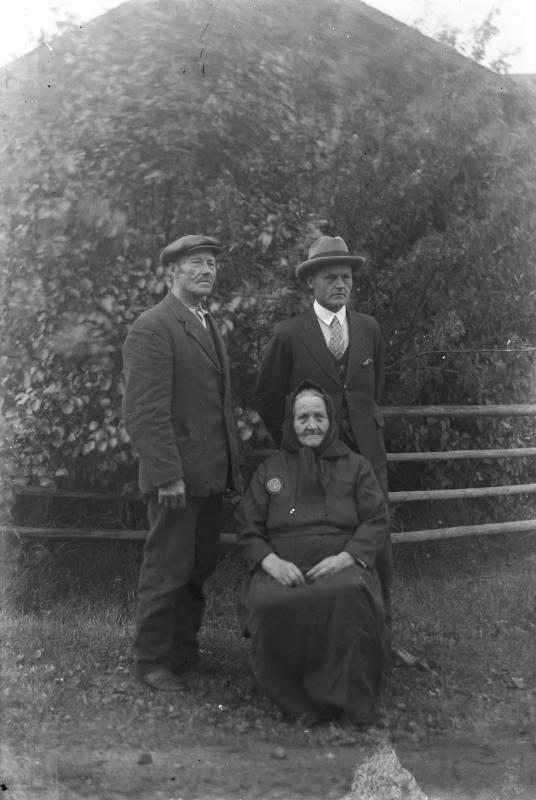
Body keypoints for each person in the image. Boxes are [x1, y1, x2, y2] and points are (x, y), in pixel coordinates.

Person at [122, 234, 241, 691]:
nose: (207, 270)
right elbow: (144, 412)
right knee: (166, 568)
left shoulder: (206, 321)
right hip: (175, 479)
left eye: (212, 263)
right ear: (173, 272)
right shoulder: (153, 326)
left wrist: (230, 469)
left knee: (198, 566)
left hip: (207, 474)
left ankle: (182, 652)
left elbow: (216, 405)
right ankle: (152, 661)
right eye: (197, 263)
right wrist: (168, 474)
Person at [254, 235, 392, 622]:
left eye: (346, 277)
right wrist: (296, 441)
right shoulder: (289, 335)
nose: (340, 284)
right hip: (313, 459)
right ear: (310, 282)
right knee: (319, 541)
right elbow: (267, 397)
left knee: (376, 541)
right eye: (331, 277)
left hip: (367, 455)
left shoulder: (369, 329)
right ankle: (323, 631)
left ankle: (380, 629)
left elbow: (373, 390)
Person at [236, 380, 390, 726]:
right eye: (302, 417)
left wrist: (346, 558)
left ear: (330, 420)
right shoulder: (271, 471)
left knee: (348, 596)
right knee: (271, 604)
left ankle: (349, 699)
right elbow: (248, 524)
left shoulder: (356, 467)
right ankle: (296, 702)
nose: (311, 425)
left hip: (341, 566)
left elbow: (376, 519)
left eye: (319, 417)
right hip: (282, 567)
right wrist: (271, 563)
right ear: (291, 423)